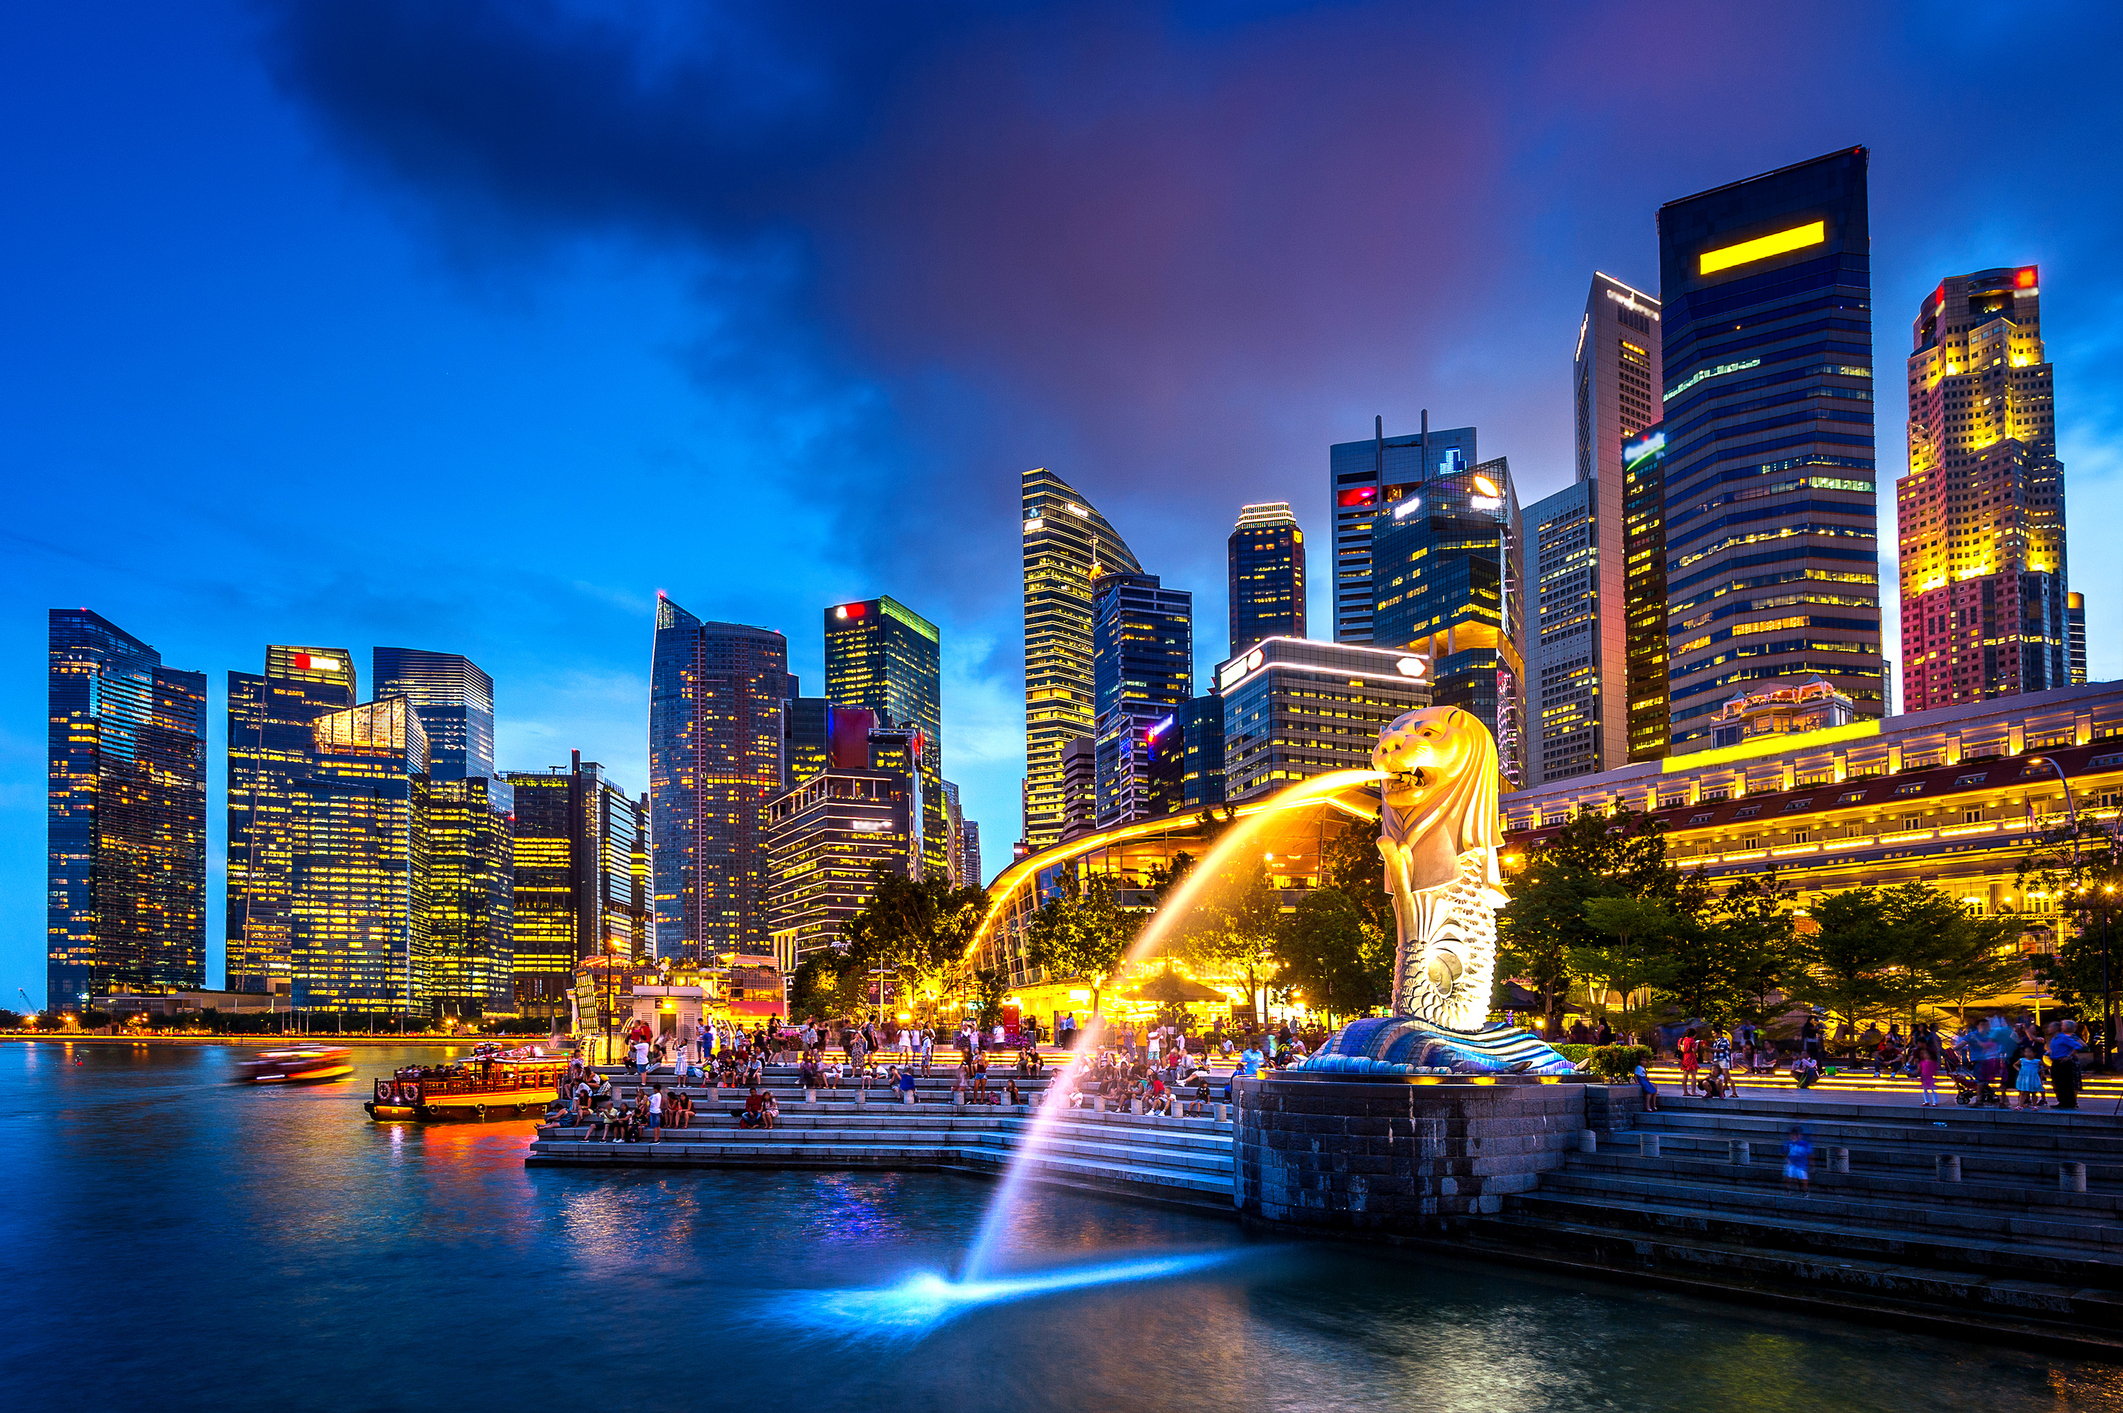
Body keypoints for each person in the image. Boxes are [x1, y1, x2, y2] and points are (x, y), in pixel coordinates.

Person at [2050, 1020, 2087, 1111]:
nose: (2049, 1029)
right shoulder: (2054, 1038)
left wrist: (2068, 1056)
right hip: (2055, 1061)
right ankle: (2061, 1101)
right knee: (2057, 1082)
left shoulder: (2064, 1037)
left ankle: (2069, 1102)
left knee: (2065, 1083)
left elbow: (2078, 1046)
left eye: (2051, 1027)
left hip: (2064, 1062)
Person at [2013, 1042, 2046, 1111]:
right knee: (2023, 1092)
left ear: (2034, 1053)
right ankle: (2020, 1105)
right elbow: (2015, 1065)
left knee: (2034, 1092)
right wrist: (2019, 1070)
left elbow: (2047, 1066)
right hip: (2024, 1078)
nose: (2027, 1053)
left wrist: (2040, 1070)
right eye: (2026, 1052)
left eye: (2029, 1052)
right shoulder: (2022, 1060)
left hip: (2033, 1078)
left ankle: (2034, 1105)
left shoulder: (2037, 1061)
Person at [1783, 1124, 1812, 1192]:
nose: (1794, 1137)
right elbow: (1784, 1153)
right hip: (1791, 1163)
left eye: (1796, 1135)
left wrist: (1811, 1165)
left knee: (1802, 1178)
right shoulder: (1788, 1144)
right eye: (1793, 1135)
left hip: (1801, 1165)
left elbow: (1809, 1154)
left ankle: (1805, 1191)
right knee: (1788, 1174)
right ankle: (1787, 1190)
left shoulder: (1805, 1144)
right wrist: (1787, 1160)